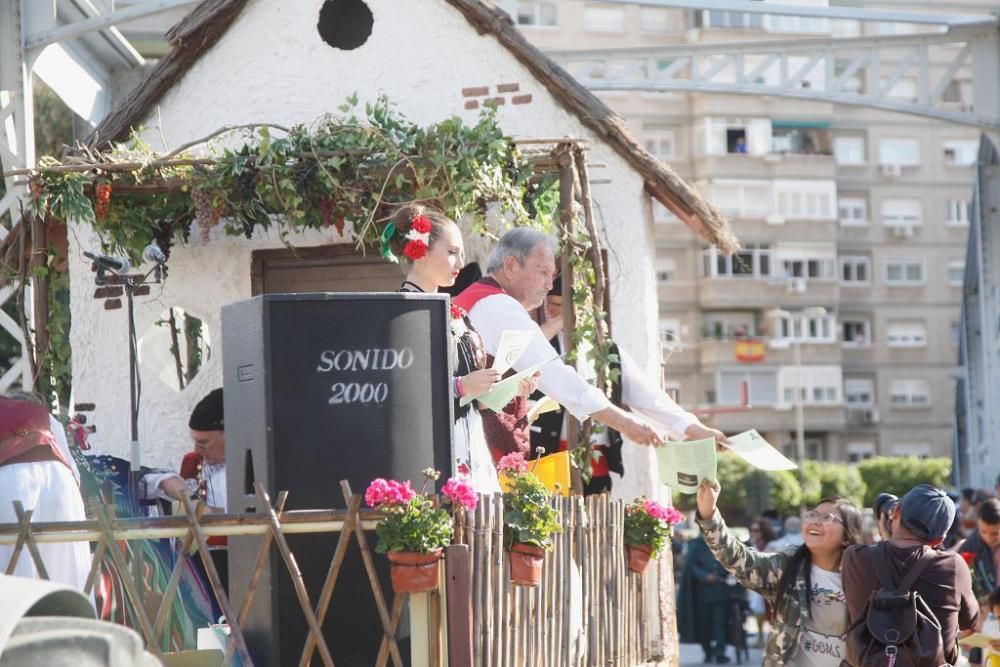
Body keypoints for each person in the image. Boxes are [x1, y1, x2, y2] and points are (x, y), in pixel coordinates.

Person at [455, 228, 724, 454]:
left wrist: (689, 427)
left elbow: (642, 393)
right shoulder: (499, 306)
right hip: (479, 445)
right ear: (511, 266)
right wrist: (625, 424)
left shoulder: (480, 299)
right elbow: (557, 376)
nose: (549, 285)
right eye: (543, 272)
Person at [390, 205, 534, 493]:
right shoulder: (399, 312)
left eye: (462, 254)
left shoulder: (455, 313)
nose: (460, 262)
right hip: (429, 451)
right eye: (452, 252)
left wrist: (506, 389)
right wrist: (460, 386)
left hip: (469, 442)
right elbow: (397, 390)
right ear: (420, 251)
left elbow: (473, 397)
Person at [530, 280, 725, 493]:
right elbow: (527, 348)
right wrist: (560, 321)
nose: (551, 309)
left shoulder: (607, 351)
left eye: (559, 305)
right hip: (549, 457)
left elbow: (651, 399)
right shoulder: (544, 343)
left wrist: (697, 430)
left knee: (596, 519)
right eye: (549, 303)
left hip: (596, 461)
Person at [695, 478, 864, 667]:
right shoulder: (788, 567)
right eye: (812, 515)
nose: (815, 522)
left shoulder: (865, 579)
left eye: (827, 518)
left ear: (847, 536)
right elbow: (739, 560)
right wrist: (709, 515)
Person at [842, 484, 980, 667]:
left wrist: (886, 535)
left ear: (896, 511)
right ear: (940, 539)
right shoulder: (953, 565)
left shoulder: (855, 558)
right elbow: (970, 621)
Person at [0, 393, 90, 591]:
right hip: (60, 479)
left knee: (15, 573)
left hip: (8, 481)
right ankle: (74, 618)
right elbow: (74, 472)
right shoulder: (41, 414)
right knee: (68, 567)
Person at [679, 533, 735, 664]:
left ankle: (720, 652)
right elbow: (691, 567)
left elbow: (732, 562)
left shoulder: (724, 542)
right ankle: (708, 652)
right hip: (702, 594)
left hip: (721, 591)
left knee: (720, 623)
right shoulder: (697, 544)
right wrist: (704, 576)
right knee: (704, 624)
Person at [951, 497, 1000, 607]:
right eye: (983, 531)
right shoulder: (969, 546)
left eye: (995, 534)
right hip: (983, 609)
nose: (988, 538)